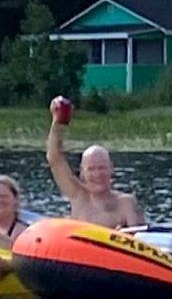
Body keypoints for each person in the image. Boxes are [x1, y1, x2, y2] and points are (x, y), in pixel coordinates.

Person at [45, 96, 145, 229]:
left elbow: (141, 237)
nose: (97, 174)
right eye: (91, 169)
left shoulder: (126, 203)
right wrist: (57, 122)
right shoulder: (77, 195)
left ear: (111, 168)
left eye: (102, 168)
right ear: (82, 172)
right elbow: (54, 158)